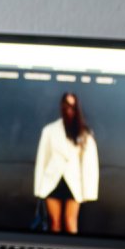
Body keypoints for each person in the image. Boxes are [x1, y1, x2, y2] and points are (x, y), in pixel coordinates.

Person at [33, 93, 99, 233]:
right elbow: (42, 159)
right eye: (66, 105)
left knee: (70, 221)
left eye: (73, 106)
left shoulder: (84, 133)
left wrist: (88, 191)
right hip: (53, 181)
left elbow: (89, 165)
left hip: (73, 183)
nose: (69, 109)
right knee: (55, 223)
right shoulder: (50, 130)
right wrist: (39, 188)